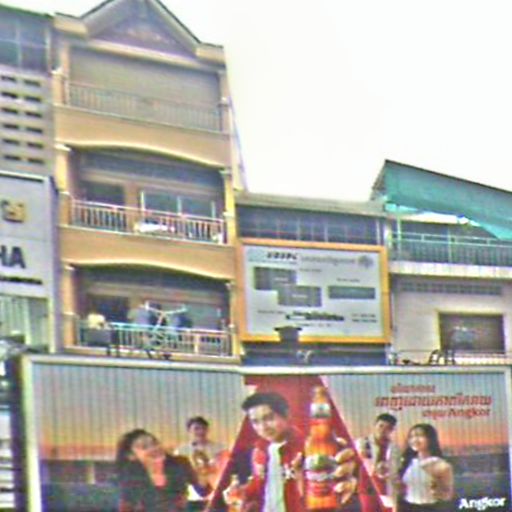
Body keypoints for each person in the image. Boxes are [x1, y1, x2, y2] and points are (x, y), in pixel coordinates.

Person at [223, 391, 357, 512]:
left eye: (269, 418)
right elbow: (260, 487)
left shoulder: (307, 447)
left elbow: (326, 493)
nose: (263, 427)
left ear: (286, 415)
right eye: (255, 422)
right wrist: (241, 492)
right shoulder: (259, 451)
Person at [115, 428, 211, 512]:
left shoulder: (180, 464)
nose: (154, 448)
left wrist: (203, 472)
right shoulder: (130, 478)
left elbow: (204, 491)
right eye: (144, 447)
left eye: (154, 443)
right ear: (131, 456)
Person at [397, 423, 454, 512]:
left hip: (428, 508)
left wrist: (437, 488)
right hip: (406, 507)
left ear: (430, 439)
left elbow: (447, 495)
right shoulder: (408, 462)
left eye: (419, 435)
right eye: (411, 436)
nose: (415, 440)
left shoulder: (439, 464)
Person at [176, 416, 228, 511]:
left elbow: (226, 471)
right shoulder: (181, 451)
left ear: (207, 430)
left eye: (203, 428)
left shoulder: (220, 448)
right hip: (192, 497)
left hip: (216, 494)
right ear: (189, 431)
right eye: (196, 429)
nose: (200, 431)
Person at [355, 413, 401, 512]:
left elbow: (396, 469)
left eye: (388, 428)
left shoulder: (395, 448)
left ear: (392, 430)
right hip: (367, 488)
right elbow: (362, 464)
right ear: (375, 425)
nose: (383, 430)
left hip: (387, 489)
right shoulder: (363, 443)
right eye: (381, 426)